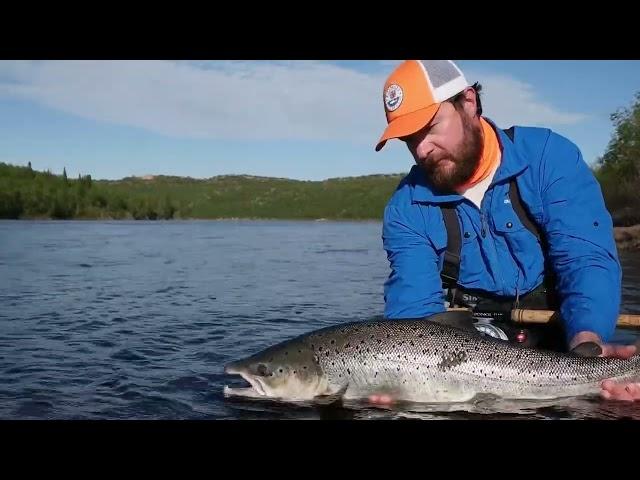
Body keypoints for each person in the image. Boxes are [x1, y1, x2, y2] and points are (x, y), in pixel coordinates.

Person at [375, 59, 640, 402]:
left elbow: (585, 261)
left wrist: (588, 345)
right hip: (460, 363)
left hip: (565, 344)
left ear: (468, 102)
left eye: (429, 127)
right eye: (409, 139)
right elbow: (414, 311)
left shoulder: (548, 157)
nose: (421, 149)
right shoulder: (405, 208)